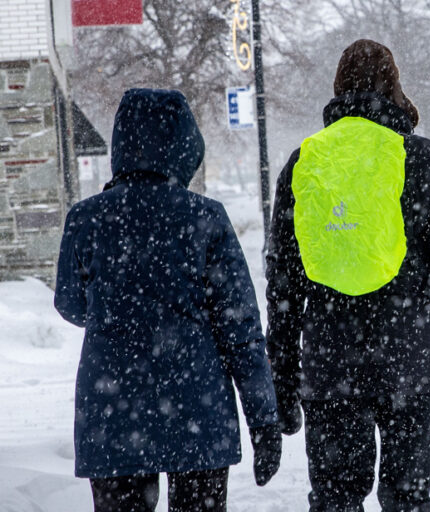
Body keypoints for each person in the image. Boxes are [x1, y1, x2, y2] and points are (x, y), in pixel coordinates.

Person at [266, 39, 430, 511]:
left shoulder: (305, 164)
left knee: (334, 499)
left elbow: (284, 283)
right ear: (394, 87)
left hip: (329, 362)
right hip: (406, 357)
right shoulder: (424, 161)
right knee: (408, 499)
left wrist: (282, 373)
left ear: (338, 88)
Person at [54, 88, 281, 512]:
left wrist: (117, 309)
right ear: (184, 146)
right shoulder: (206, 217)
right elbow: (241, 330)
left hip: (113, 413)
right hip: (198, 409)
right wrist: (263, 419)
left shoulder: (87, 219)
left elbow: (70, 304)